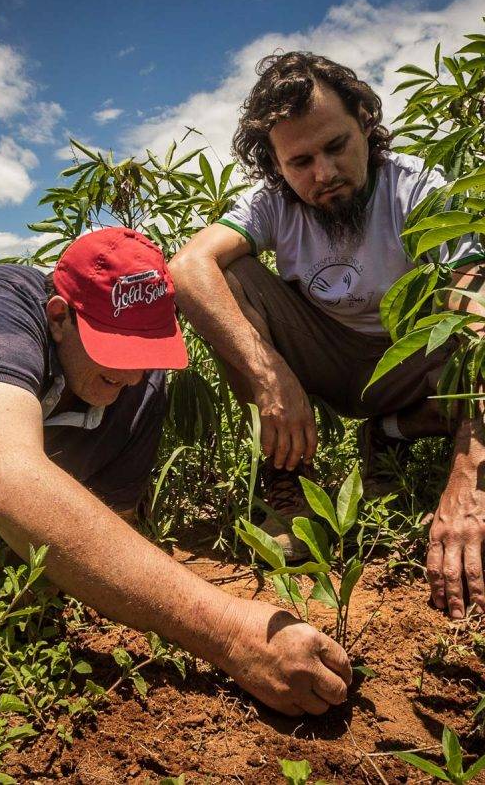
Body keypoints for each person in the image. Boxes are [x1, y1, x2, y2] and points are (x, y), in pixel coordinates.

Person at [0, 226, 351, 716]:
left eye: (145, 349)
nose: (131, 374)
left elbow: (110, 525)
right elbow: (5, 482)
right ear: (59, 317)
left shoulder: (141, 389)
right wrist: (232, 633)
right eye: (115, 347)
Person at [170, 51, 485, 620]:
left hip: (415, 365)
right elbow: (189, 267)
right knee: (228, 278)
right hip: (325, 360)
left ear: (364, 121)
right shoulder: (272, 203)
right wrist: (271, 378)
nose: (323, 174)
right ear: (276, 164)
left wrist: (471, 483)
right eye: (300, 161)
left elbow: (477, 319)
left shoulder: (417, 189)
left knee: (473, 322)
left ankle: (390, 433)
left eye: (336, 146)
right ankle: (290, 484)